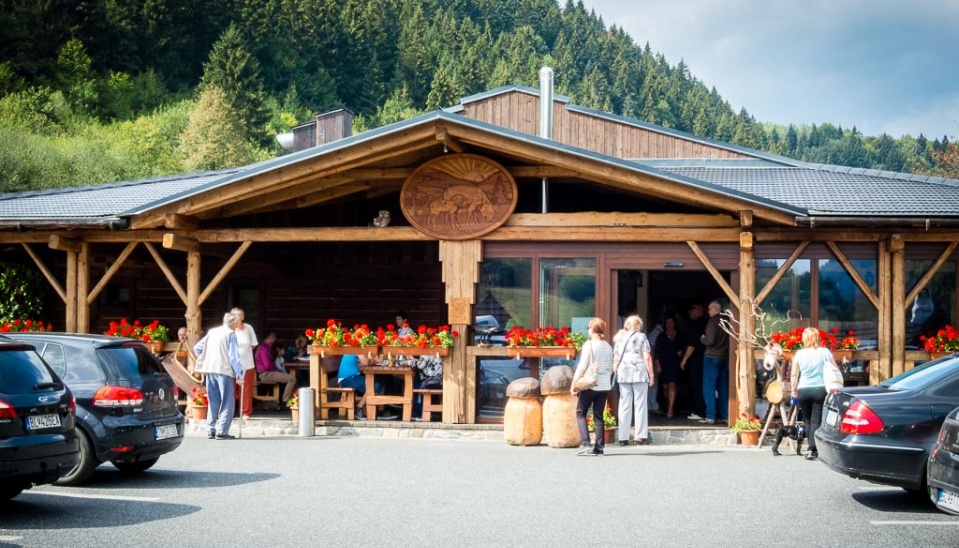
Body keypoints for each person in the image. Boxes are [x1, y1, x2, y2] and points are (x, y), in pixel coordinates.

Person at [194, 312, 242, 440]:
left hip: (210, 370)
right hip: (224, 370)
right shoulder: (230, 334)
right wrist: (239, 374)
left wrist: (207, 359)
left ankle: (210, 429)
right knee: (227, 401)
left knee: (213, 400)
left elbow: (197, 348)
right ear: (232, 323)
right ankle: (222, 431)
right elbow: (234, 358)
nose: (237, 325)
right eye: (236, 323)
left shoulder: (212, 332)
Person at [789, 327, 835, 460]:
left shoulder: (799, 354)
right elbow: (834, 369)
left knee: (807, 420)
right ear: (817, 338)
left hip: (803, 389)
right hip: (820, 389)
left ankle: (810, 448)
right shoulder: (825, 352)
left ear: (805, 339)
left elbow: (794, 374)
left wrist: (793, 390)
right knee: (816, 420)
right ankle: (813, 449)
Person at [571, 317, 614, 456]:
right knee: (598, 416)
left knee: (580, 412)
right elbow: (610, 367)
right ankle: (599, 447)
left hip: (590, 383)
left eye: (589, 328)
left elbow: (582, 365)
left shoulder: (589, 345)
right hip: (604, 385)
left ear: (593, 330)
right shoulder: (608, 346)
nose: (588, 330)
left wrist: (574, 383)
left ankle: (585, 442)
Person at [612, 315, 654, 446]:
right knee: (640, 405)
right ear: (638, 326)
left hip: (623, 374)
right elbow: (647, 357)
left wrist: (616, 371)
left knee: (624, 405)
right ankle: (639, 436)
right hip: (639, 373)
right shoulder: (641, 337)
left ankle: (623, 437)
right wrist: (651, 375)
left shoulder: (620, 338)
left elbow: (616, 358)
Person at [337, 354, 395, 420]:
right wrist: (374, 360)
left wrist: (373, 360)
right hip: (348, 378)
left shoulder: (356, 348)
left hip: (350, 377)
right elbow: (365, 363)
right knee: (376, 385)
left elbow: (366, 363)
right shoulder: (358, 348)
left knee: (381, 382)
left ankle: (381, 411)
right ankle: (358, 408)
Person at [699, 300, 729, 425]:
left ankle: (710, 416)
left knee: (709, 387)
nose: (708, 311)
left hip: (711, 357)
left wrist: (702, 339)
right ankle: (726, 415)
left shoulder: (713, 322)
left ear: (716, 309)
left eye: (709, 309)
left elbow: (710, 341)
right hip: (724, 357)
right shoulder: (727, 321)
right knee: (723, 388)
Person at [680, 303, 707, 420]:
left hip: (697, 361)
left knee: (697, 386)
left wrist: (684, 359)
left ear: (699, 310)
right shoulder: (702, 323)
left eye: (692, 310)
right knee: (698, 386)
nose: (689, 312)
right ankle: (699, 410)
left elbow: (692, 345)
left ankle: (700, 412)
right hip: (701, 361)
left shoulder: (697, 325)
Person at [254, 331, 297, 405]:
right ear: (271, 337)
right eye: (274, 338)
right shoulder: (263, 349)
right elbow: (267, 366)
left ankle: (288, 399)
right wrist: (277, 370)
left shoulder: (265, 348)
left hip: (267, 373)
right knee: (292, 379)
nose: (275, 340)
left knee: (289, 377)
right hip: (265, 374)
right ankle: (285, 401)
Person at [231, 307, 258, 420]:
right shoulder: (229, 329)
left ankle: (245, 412)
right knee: (231, 389)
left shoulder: (248, 328)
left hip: (247, 364)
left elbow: (254, 344)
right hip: (231, 365)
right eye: (235, 316)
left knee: (246, 389)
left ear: (242, 317)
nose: (237, 318)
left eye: (239, 316)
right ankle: (230, 412)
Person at [654, 315, 684, 418]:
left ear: (674, 324)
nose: (669, 324)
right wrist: (657, 365)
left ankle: (670, 410)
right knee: (665, 387)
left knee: (672, 385)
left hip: (675, 364)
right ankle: (669, 406)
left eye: (671, 322)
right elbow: (656, 352)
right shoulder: (661, 336)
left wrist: (682, 353)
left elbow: (685, 347)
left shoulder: (680, 335)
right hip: (664, 365)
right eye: (667, 323)